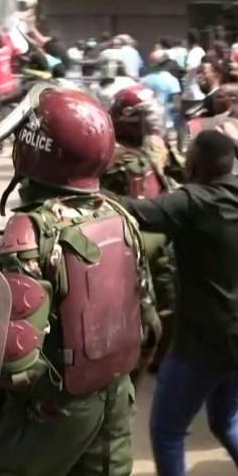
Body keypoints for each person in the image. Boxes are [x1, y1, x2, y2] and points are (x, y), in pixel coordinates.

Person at [0, 88, 160, 476]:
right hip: (115, 394)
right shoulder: (118, 214)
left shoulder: (28, 232)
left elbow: (16, 364)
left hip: (57, 406)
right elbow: (147, 320)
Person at [117, 129, 238, 476]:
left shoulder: (191, 202)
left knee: (167, 431)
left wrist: (76, 186)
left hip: (202, 348)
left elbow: (133, 210)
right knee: (227, 420)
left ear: (194, 165)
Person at [102, 85, 185, 371]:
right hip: (127, 241)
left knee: (169, 303)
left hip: (159, 238)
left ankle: (158, 360)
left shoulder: (155, 145)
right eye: (144, 118)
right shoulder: (109, 154)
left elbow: (179, 173)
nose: (151, 124)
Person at [142, 50, 183, 142]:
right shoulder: (171, 80)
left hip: (148, 127)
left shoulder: (143, 81)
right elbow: (177, 106)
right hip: (167, 125)